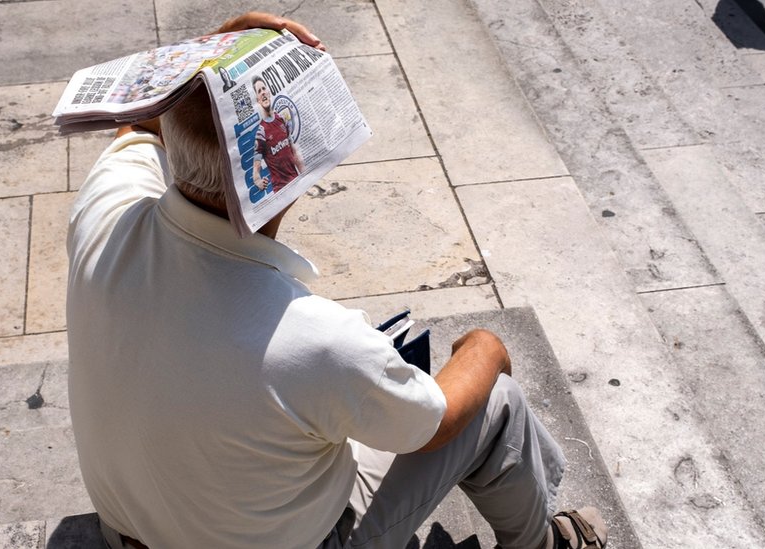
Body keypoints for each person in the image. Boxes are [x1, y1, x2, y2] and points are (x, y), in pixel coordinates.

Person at [66, 11, 607, 549]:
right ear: (283, 175)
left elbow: (139, 124)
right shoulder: (314, 339)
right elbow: (433, 425)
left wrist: (220, 51)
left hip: (131, 533)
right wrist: (485, 349)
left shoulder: (106, 209)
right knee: (497, 402)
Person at [252, 74, 305, 192]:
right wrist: (258, 182)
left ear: (269, 92)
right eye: (259, 91)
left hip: (296, 181)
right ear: (257, 100)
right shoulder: (261, 133)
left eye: (264, 89)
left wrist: (306, 176)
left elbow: (294, 152)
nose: (263, 93)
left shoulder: (281, 118)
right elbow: (256, 169)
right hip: (281, 189)